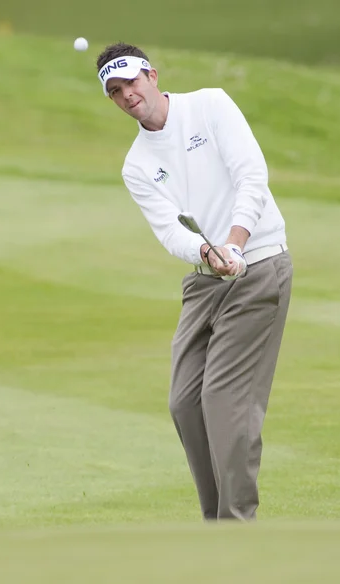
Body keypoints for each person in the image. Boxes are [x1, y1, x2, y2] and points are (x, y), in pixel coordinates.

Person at [96, 42, 293, 521]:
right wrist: (207, 251)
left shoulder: (210, 105)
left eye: (132, 81)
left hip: (258, 264)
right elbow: (169, 230)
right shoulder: (136, 164)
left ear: (153, 74)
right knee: (185, 403)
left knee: (224, 401)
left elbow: (252, 176)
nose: (127, 95)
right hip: (206, 280)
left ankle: (235, 527)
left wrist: (234, 243)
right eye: (115, 91)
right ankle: (215, 521)